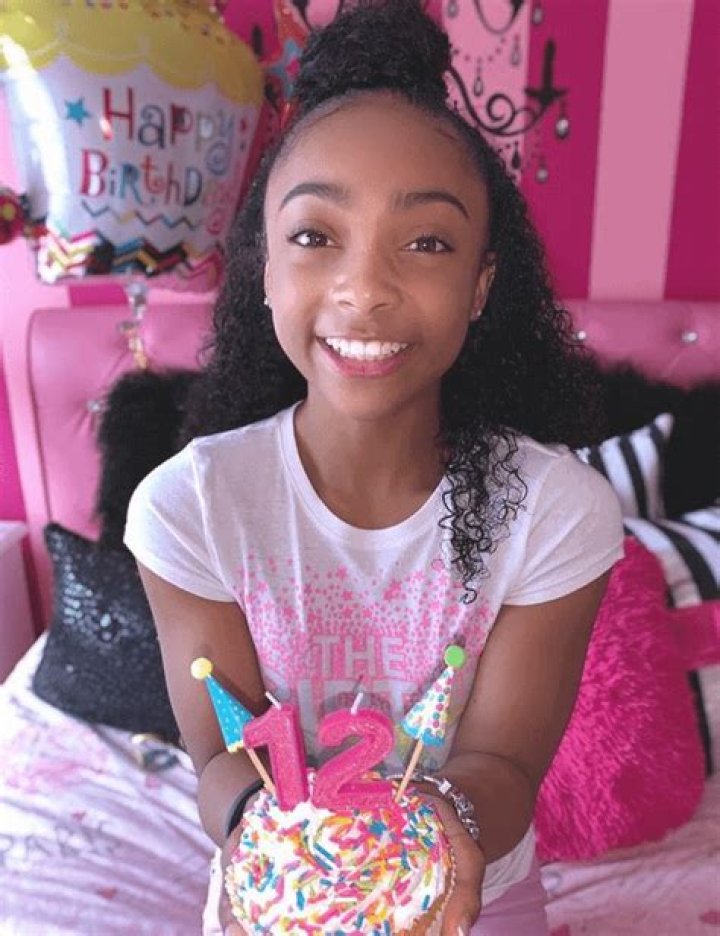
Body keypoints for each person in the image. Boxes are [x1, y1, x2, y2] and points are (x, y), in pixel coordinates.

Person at [124, 2, 623, 933]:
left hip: (471, 892)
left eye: (426, 242)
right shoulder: (189, 506)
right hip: (277, 895)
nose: (365, 289)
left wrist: (427, 840)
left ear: (481, 284)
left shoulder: (557, 511)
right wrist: (286, 857)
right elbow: (224, 758)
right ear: (263, 268)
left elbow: (504, 765)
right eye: (316, 236)